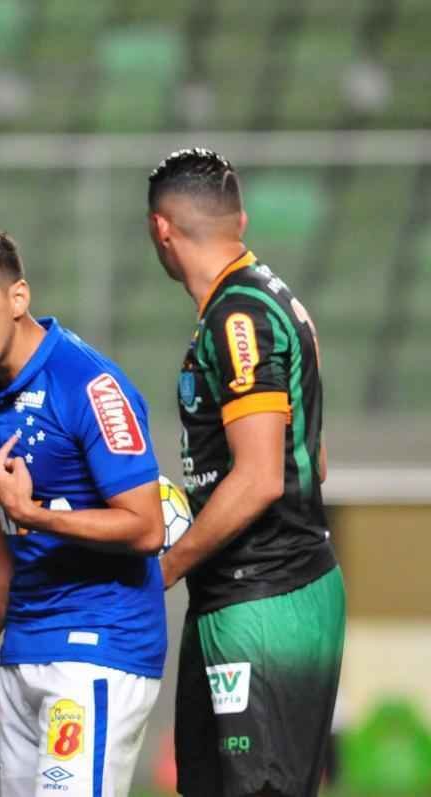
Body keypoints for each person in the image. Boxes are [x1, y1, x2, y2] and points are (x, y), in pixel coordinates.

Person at [0, 228, 166, 796]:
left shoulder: (91, 385)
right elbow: (11, 530)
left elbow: (146, 525)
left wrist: (35, 513)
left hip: (98, 648)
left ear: (18, 298)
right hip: (24, 649)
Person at [147, 148, 344, 797]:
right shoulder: (256, 300)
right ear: (242, 219)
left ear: (161, 230)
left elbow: (259, 478)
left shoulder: (241, 316)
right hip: (243, 591)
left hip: (264, 596)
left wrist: (165, 566)